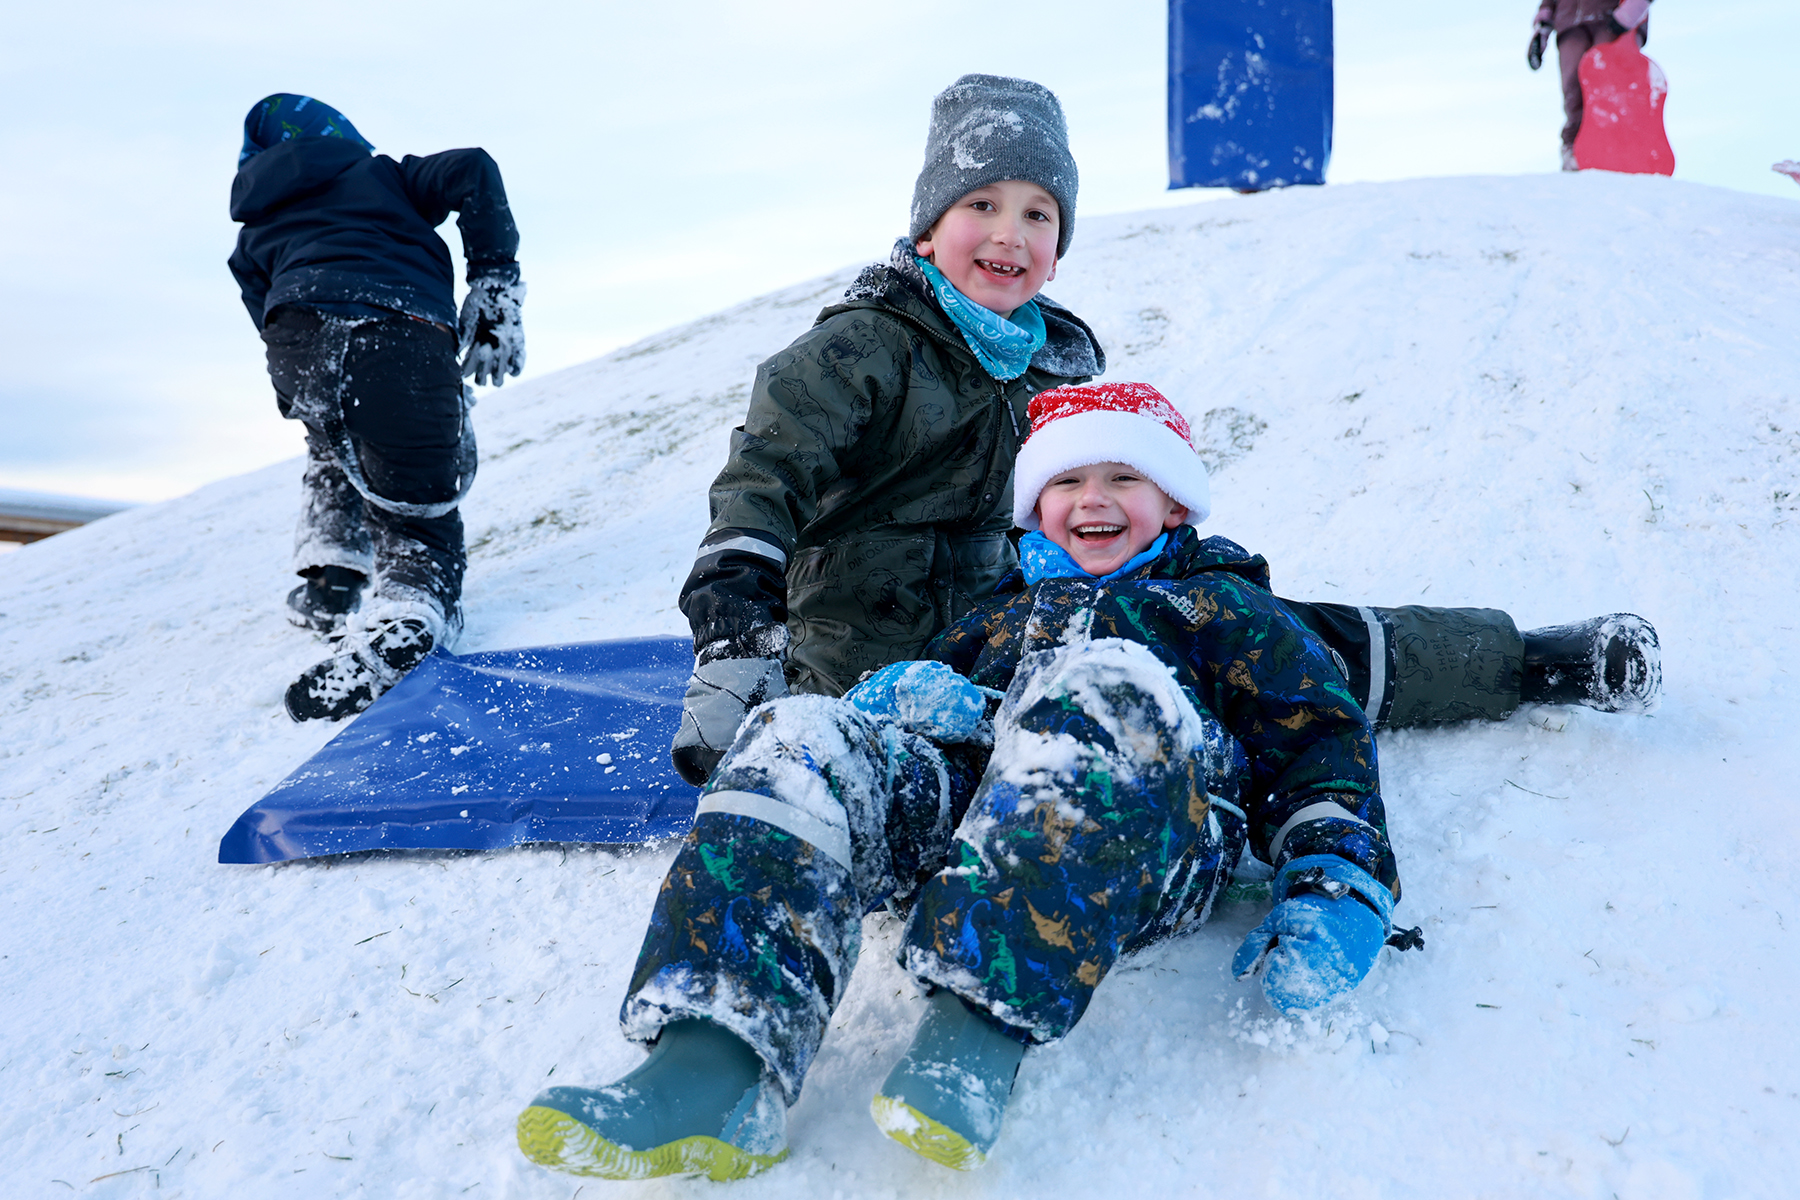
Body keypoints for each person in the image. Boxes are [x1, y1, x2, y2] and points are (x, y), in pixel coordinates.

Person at [515, 381, 1427, 1180]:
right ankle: (708, 1066)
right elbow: (903, 735)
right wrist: (896, 706)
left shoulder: (1221, 606)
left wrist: (1333, 874)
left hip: (1152, 826)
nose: (1092, 498)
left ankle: (970, 1042)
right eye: (1066, 480)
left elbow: (1318, 738)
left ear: (1176, 506)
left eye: (1123, 478)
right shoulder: (995, 618)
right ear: (1035, 509)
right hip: (980, 817)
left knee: (1105, 682)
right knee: (800, 729)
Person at [671, 73, 1660, 789]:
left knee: (1256, 633)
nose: (1009, 235)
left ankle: (1516, 660)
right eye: (981, 205)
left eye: (1038, 213)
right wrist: (736, 619)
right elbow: (768, 470)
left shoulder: (1056, 361)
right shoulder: (867, 347)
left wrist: (1174, 566)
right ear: (930, 228)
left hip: (1018, 624)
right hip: (880, 663)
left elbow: (1081, 507)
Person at [227, 93, 526, 721]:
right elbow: (472, 167)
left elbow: (261, 307)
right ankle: (410, 612)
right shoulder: (383, 175)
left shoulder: (255, 229)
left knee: (336, 440)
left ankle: (331, 580)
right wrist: (493, 282)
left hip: (298, 337)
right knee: (419, 506)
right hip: (395, 327)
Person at [1530, 0, 1654, 169]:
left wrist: (1631, 10)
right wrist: (1542, 29)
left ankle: (1615, 146)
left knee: (1607, 85)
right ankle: (1575, 150)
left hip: (1612, 18)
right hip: (1569, 22)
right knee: (1573, 87)